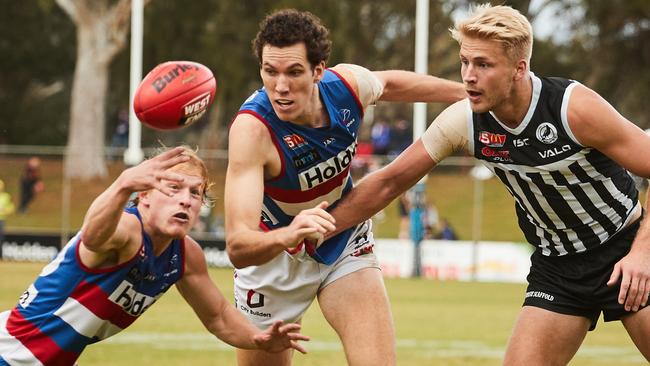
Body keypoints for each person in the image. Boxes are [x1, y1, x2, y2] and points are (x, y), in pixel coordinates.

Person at [326, 4, 650, 365]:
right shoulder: (464, 120)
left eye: (483, 64)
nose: (468, 76)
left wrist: (642, 254)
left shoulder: (573, 108)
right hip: (557, 266)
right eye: (465, 62)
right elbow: (390, 182)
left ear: (519, 69)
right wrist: (315, 230)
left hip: (625, 248)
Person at [224, 9, 465, 366]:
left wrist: (465, 94)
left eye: (293, 72)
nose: (280, 86)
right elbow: (239, 246)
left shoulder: (346, 87)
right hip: (272, 260)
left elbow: (391, 84)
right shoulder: (252, 130)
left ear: (319, 70)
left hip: (342, 241)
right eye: (269, 72)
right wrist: (291, 233)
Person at [0, 146, 309, 366]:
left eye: (195, 192)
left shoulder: (186, 254)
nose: (186, 200)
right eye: (173, 188)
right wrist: (122, 184)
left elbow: (218, 317)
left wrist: (258, 339)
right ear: (144, 196)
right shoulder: (127, 230)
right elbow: (93, 237)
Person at [0, 179, 15, 245]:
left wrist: (4, 210)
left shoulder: (6, 196)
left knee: (0, 237)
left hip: (1, 219)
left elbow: (11, 208)